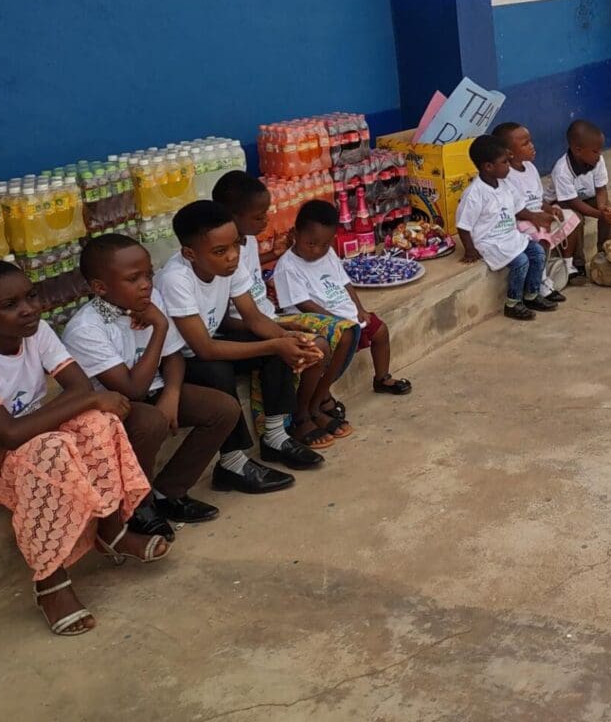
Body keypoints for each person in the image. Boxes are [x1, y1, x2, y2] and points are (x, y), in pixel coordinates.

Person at [0, 261, 159, 636]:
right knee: (52, 449)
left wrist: (14, 432)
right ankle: (50, 581)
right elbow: (14, 431)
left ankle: (111, 527)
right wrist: (9, 434)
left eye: (30, 296)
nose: (28, 309)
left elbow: (76, 389)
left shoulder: (37, 331)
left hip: (20, 438)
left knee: (98, 422)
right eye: (10, 305)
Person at [62, 234, 239, 540]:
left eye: (148, 274)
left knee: (223, 409)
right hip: (109, 408)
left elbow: (173, 358)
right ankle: (137, 505)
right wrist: (159, 327)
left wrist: (171, 394)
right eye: (134, 278)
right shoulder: (86, 330)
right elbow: (132, 391)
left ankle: (167, 492)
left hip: (152, 389)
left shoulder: (149, 300)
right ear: (101, 288)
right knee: (150, 421)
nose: (146, 284)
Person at [157, 200, 324, 491]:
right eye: (220, 251)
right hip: (180, 360)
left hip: (209, 346)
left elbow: (254, 318)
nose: (233, 256)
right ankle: (232, 463)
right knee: (218, 370)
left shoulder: (228, 263)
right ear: (189, 254)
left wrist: (287, 340)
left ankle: (275, 438)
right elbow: (204, 350)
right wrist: (275, 345)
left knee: (273, 342)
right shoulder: (175, 279)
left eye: (235, 245)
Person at [272, 200, 410, 401]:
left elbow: (345, 283)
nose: (318, 250)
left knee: (380, 331)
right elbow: (303, 304)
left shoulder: (328, 254)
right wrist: (335, 323)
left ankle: (382, 377)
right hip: (318, 322)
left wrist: (360, 309)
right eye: (311, 243)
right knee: (326, 356)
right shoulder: (287, 267)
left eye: (325, 244)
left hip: (347, 316)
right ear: (295, 234)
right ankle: (322, 396)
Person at [459, 135, 556, 321]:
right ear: (488, 167)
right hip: (490, 241)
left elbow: (519, 206)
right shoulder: (474, 193)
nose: (508, 166)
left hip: (509, 235)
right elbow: (463, 226)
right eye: (504, 162)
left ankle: (532, 295)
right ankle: (513, 303)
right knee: (521, 262)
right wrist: (470, 250)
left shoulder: (504, 184)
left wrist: (536, 217)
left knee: (537, 252)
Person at [493, 121, 572, 303]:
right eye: (525, 144)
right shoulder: (506, 175)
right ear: (509, 153)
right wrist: (536, 217)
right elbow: (514, 208)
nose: (532, 146)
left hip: (536, 214)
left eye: (531, 141)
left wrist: (549, 208)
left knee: (571, 218)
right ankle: (540, 283)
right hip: (520, 220)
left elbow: (537, 198)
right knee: (539, 238)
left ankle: (568, 267)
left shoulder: (531, 168)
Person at [550, 119, 611, 280]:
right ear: (578, 150)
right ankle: (577, 262)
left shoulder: (597, 160)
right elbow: (573, 202)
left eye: (600, 150)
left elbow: (601, 188)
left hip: (587, 197)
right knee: (576, 219)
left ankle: (604, 252)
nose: (599, 154)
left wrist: (603, 208)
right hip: (563, 202)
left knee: (610, 209)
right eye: (595, 151)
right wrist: (599, 214)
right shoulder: (561, 170)